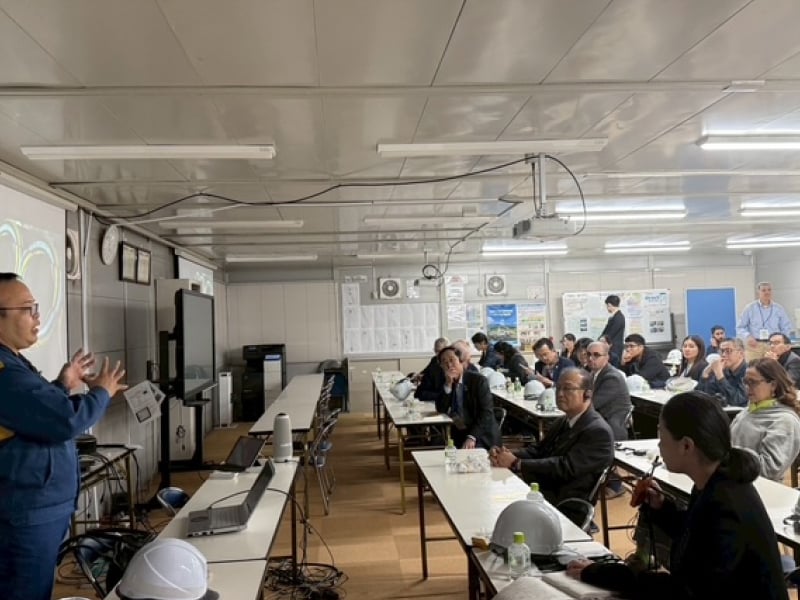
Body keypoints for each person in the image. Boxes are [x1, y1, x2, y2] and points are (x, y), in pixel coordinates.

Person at [567, 391, 789, 600]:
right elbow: (699, 535)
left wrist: (604, 574)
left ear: (686, 446)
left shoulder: (726, 504)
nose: (659, 444)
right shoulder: (717, 481)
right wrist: (663, 509)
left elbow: (684, 591)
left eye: (661, 436)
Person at [0, 272, 128, 600]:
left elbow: (36, 416)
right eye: (28, 308)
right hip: (25, 513)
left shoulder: (14, 363)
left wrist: (62, 384)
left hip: (37, 509)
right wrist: (101, 392)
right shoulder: (5, 374)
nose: (37, 317)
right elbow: (64, 421)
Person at [489, 368, 614, 505]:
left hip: (563, 501)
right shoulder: (563, 420)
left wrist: (517, 463)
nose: (560, 394)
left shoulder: (598, 431)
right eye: (558, 388)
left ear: (587, 394)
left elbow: (565, 468)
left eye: (567, 389)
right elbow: (538, 450)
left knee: (496, 500)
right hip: (542, 488)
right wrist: (506, 454)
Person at [730, 358, 800, 481]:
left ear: (773, 385)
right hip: (734, 480)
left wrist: (728, 454)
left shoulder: (784, 420)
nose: (747, 387)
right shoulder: (748, 411)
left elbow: (770, 470)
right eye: (745, 382)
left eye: (753, 382)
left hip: (759, 487)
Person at [435, 345, 499, 450]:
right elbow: (441, 409)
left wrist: (472, 437)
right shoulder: (445, 381)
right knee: (438, 447)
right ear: (441, 366)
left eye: (452, 360)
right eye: (444, 362)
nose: (449, 365)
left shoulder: (478, 381)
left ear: (460, 361)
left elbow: (486, 412)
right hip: (459, 431)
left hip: (481, 434)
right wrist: (448, 385)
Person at [737, 281, 793, 362]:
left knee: (772, 367)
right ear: (758, 292)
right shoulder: (750, 308)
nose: (767, 292)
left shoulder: (778, 308)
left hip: (772, 345)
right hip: (754, 345)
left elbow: (786, 327)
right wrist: (748, 337)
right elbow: (740, 327)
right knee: (753, 367)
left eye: (769, 290)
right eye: (763, 290)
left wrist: (782, 342)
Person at [587, 341, 631, 441]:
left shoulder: (612, 378)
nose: (590, 358)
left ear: (607, 357)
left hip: (610, 430)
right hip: (597, 424)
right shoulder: (593, 374)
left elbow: (592, 404)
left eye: (596, 355)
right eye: (588, 354)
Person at [697, 337, 747, 407]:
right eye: (721, 351)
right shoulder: (724, 370)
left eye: (728, 351)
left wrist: (720, 376)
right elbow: (704, 396)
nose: (723, 355)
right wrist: (705, 374)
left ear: (741, 353)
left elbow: (738, 401)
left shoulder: (748, 372)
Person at [414, 337, 449, 402]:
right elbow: (425, 371)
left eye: (439, 351)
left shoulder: (450, 365)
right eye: (435, 351)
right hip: (432, 392)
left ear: (447, 350)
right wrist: (418, 375)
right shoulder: (434, 359)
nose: (437, 354)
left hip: (440, 395)